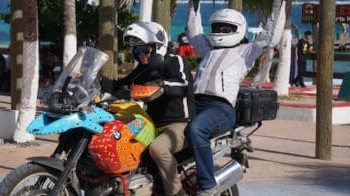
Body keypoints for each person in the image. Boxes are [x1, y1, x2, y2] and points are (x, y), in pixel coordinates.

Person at [184, 0, 285, 195]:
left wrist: (278, 5)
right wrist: (193, 6)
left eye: (226, 28)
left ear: (238, 30)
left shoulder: (246, 52)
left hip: (220, 108)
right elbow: (193, 32)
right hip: (194, 103)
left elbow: (271, 36)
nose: (221, 31)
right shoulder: (208, 49)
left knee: (197, 129)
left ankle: (207, 185)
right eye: (218, 27)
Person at [111, 21, 195, 196]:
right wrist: (97, 83)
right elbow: (120, 85)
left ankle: (177, 193)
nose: (140, 54)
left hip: (179, 125)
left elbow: (183, 84)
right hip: (151, 125)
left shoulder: (175, 60)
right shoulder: (143, 70)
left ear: (158, 46)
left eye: (144, 49)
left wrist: (161, 85)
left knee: (158, 148)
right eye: (136, 50)